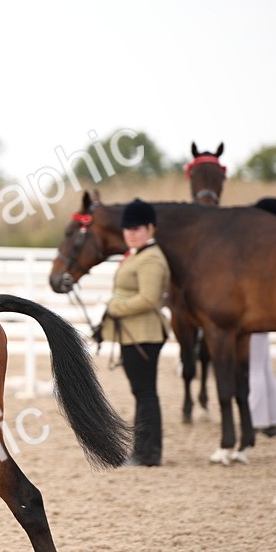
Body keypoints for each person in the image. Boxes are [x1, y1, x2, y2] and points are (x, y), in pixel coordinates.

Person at [99, 198, 171, 466]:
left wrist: (115, 307)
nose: (130, 233)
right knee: (142, 392)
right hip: (134, 334)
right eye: (127, 228)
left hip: (144, 335)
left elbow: (149, 299)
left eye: (137, 228)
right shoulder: (137, 255)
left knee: (145, 392)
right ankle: (144, 450)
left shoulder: (151, 259)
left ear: (150, 229)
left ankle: (149, 452)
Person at [249, 197, 276, 437]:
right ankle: (271, 418)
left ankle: (255, 419)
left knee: (253, 368)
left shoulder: (258, 249)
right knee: (263, 365)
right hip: (264, 312)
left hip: (254, 313)